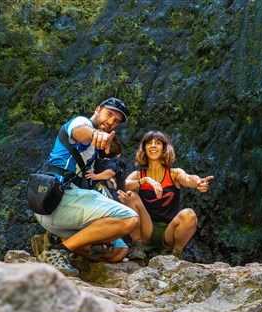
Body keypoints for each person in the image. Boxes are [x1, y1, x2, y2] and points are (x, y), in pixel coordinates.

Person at [32, 98, 139, 277]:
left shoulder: (94, 151)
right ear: (98, 110)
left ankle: (53, 241)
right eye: (109, 114)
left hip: (71, 208)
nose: (111, 122)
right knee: (130, 219)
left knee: (119, 251)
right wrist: (94, 134)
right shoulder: (82, 122)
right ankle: (59, 252)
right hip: (57, 199)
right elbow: (79, 132)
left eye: (117, 121)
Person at [118, 130, 213, 260]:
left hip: (170, 231)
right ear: (144, 148)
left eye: (157, 143)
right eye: (149, 143)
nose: (153, 146)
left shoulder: (174, 173)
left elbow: (189, 178)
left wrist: (198, 182)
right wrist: (144, 181)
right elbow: (124, 185)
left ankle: (176, 253)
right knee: (130, 197)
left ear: (164, 148)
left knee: (189, 214)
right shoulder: (139, 175)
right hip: (146, 229)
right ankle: (138, 245)